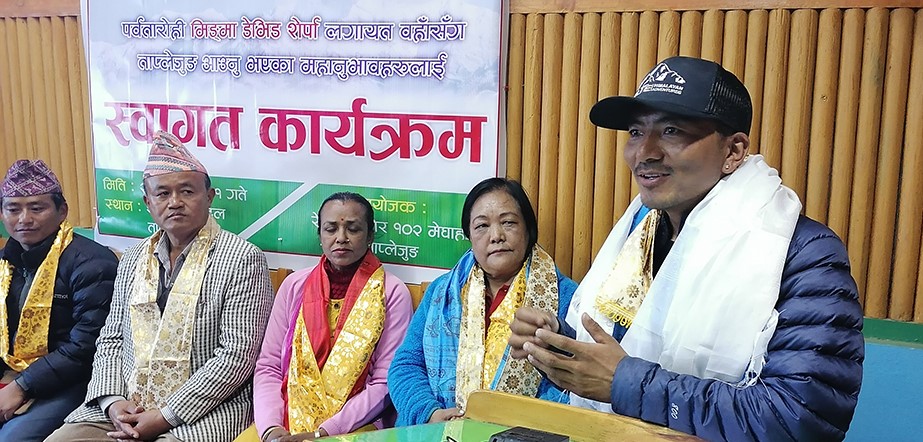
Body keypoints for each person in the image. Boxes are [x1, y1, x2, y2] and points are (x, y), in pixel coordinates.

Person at [509, 56, 864, 441]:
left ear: (733, 151)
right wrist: (558, 345)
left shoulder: (803, 254)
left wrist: (624, 383)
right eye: (636, 132)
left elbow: (797, 418)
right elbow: (628, 352)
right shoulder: (642, 236)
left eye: (672, 131)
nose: (645, 152)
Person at [46, 131, 274, 442]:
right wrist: (113, 403)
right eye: (163, 194)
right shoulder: (133, 257)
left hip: (204, 411)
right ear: (148, 202)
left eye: (187, 191)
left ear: (209, 197)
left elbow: (237, 356)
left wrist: (164, 416)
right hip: (127, 402)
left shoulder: (243, 259)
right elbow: (112, 338)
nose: (175, 203)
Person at [388, 177, 578, 426]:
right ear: (469, 236)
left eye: (508, 222)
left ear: (528, 230)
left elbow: (576, 385)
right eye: (482, 226)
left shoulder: (567, 296)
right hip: (439, 432)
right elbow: (405, 366)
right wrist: (430, 413)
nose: (496, 236)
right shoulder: (442, 293)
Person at [252, 192, 413, 442]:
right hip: (284, 421)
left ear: (370, 235)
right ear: (320, 236)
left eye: (353, 229)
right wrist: (271, 429)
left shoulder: (391, 292)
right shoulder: (294, 286)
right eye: (331, 229)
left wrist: (323, 433)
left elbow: (385, 382)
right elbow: (269, 367)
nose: (341, 238)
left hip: (358, 426)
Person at [0, 160, 117, 441]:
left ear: (62, 211)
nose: (24, 219)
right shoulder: (5, 261)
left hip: (74, 380)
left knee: (13, 439)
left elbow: (86, 347)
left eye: (36, 208)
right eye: (13, 209)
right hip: (13, 373)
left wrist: (22, 386)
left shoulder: (92, 263)